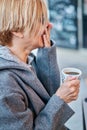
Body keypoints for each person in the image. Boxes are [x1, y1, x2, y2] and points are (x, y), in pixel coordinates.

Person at [0, 0, 80, 130]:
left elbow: (46, 98)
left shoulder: (25, 61)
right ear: (16, 29)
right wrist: (61, 99)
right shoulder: (4, 84)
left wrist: (46, 54)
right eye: (40, 20)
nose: (49, 25)